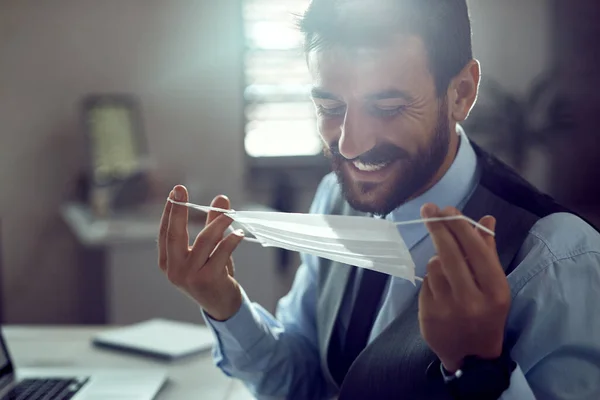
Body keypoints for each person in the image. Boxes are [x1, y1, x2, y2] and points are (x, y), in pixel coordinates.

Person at [158, 0, 600, 399]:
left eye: (387, 108)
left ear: (461, 93)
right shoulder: (335, 196)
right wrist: (223, 304)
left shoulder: (556, 259)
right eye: (330, 108)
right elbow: (304, 384)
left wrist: (480, 370)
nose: (349, 146)